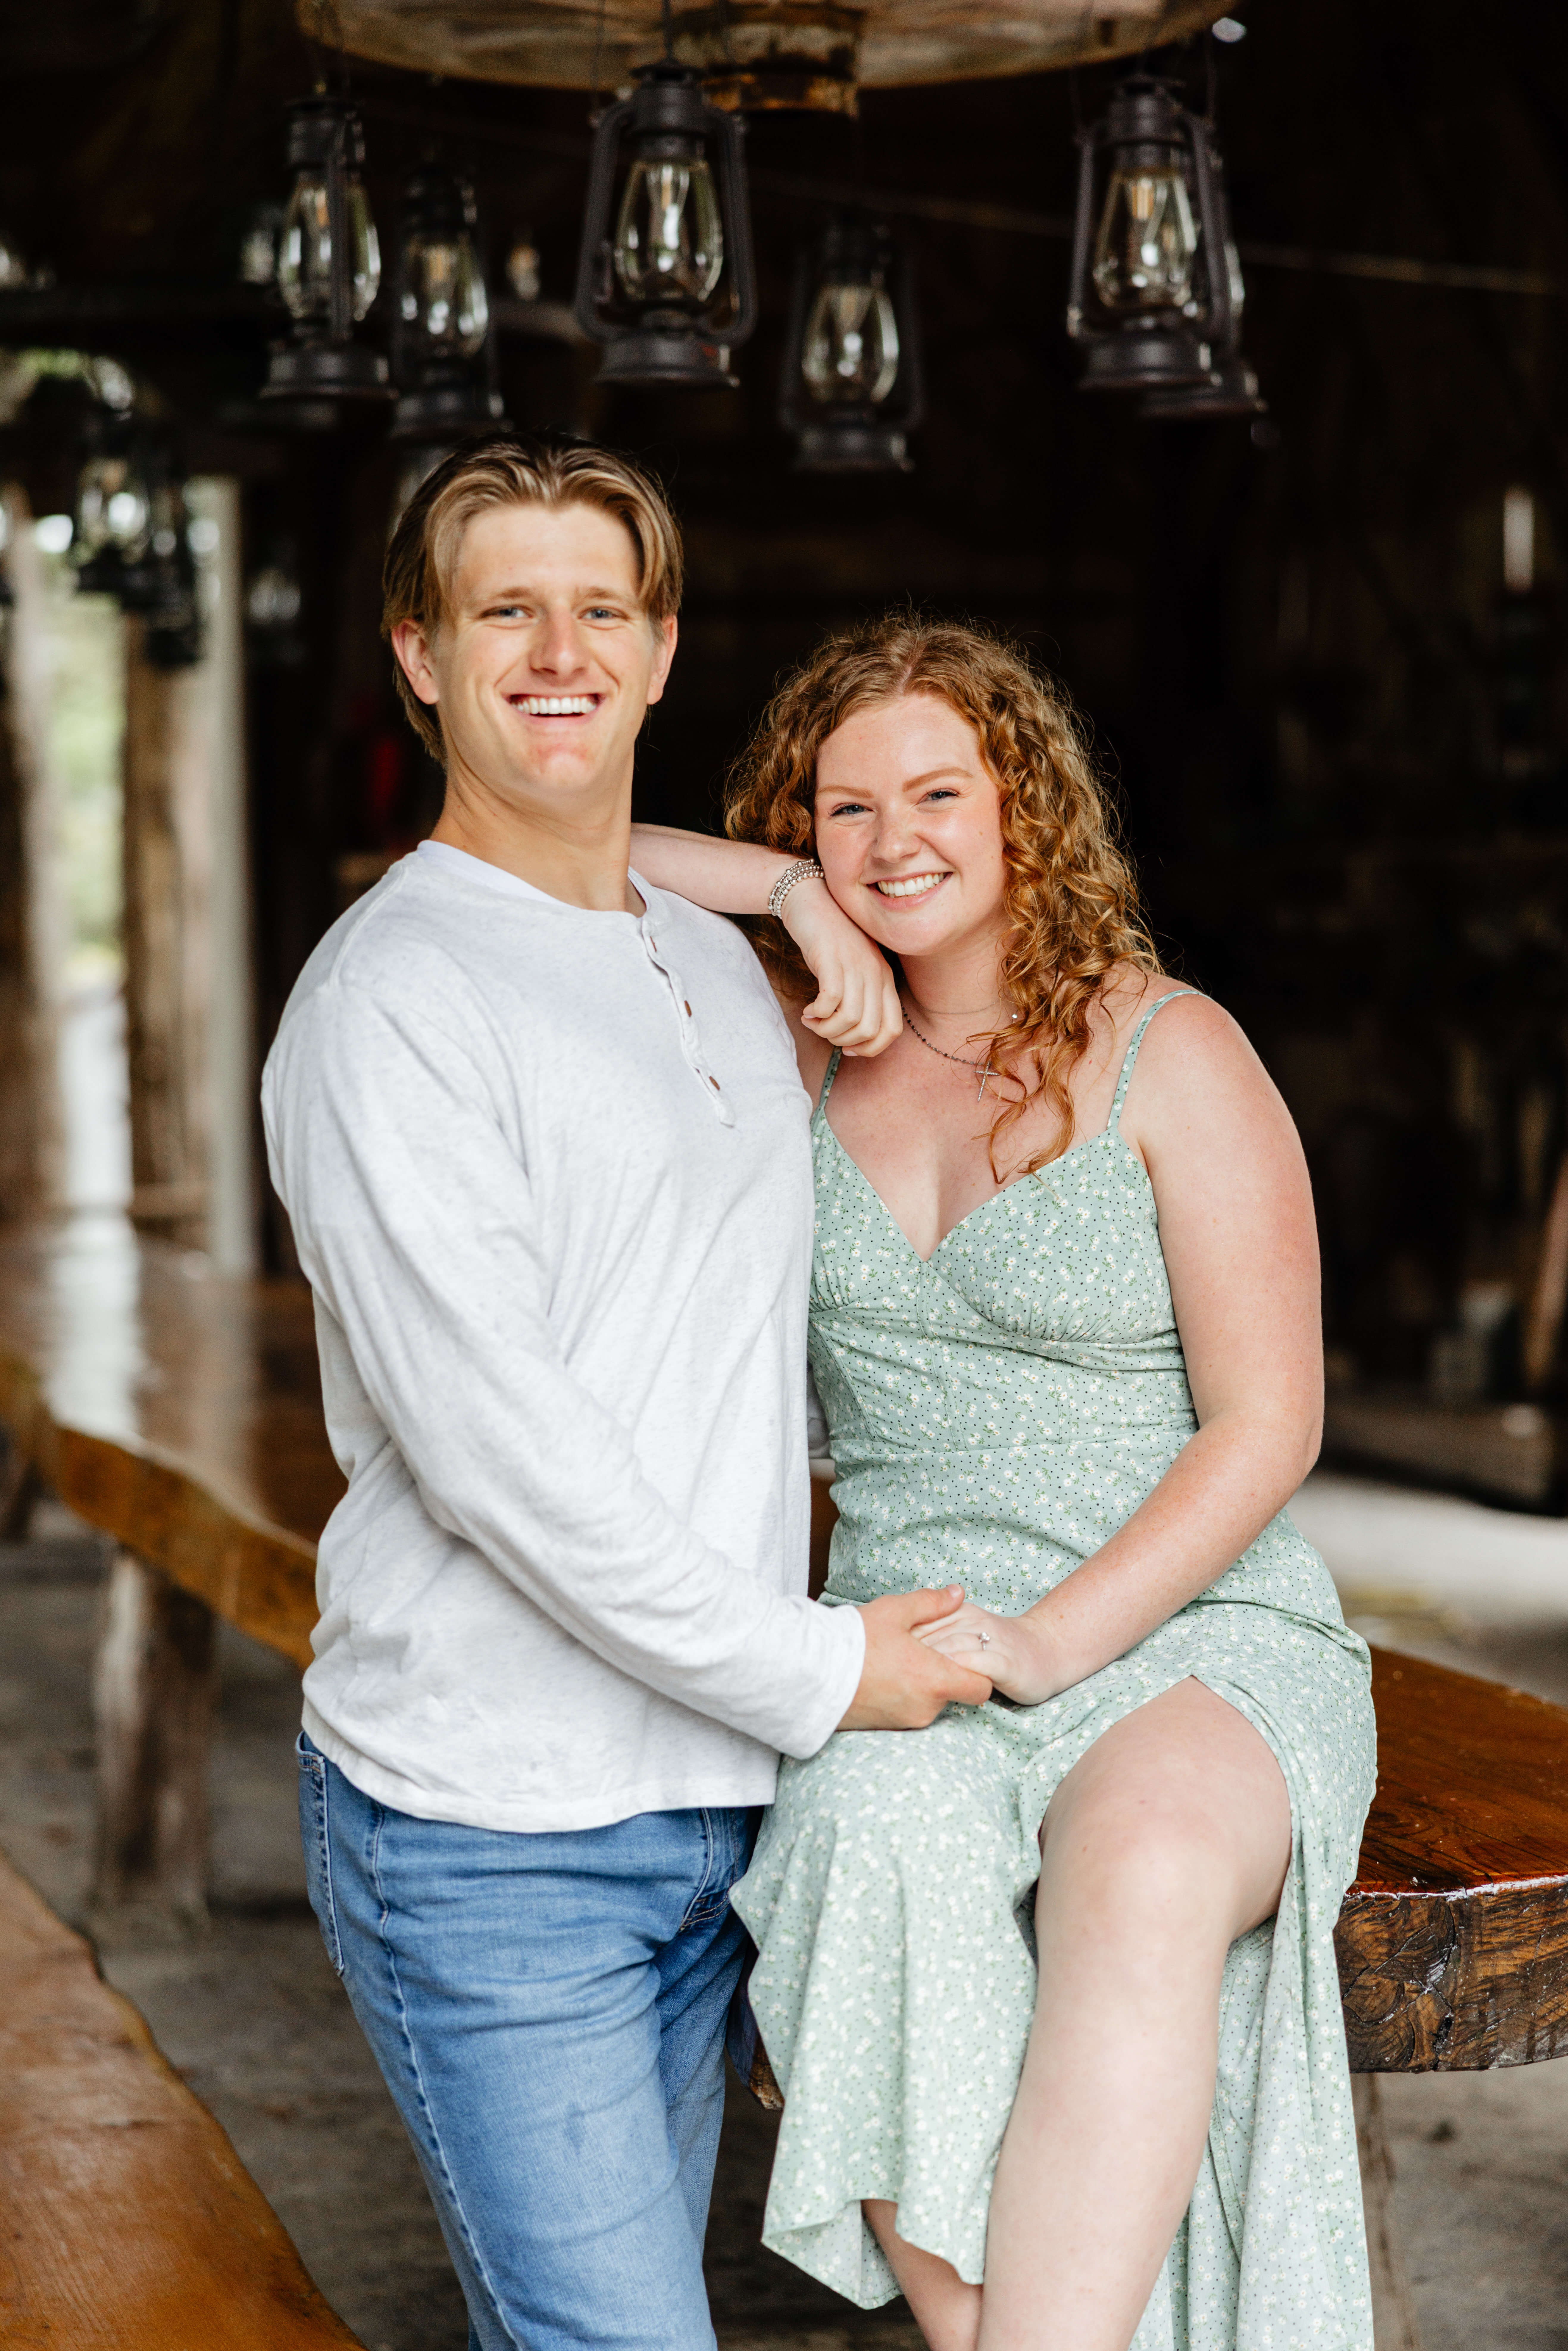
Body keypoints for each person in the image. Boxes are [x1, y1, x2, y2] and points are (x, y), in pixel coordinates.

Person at [260, 439, 993, 2351]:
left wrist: (778, 881)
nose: (558, 650)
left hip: (708, 1799)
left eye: (603, 609)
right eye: (506, 609)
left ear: (664, 653)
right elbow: (503, 1465)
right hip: (496, 1825)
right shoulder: (386, 1005)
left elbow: (595, 863)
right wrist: (826, 1671)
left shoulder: (700, 954)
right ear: (420, 654)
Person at [629, 615, 1378, 2351]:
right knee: (857, 1842)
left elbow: (1267, 1424)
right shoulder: (780, 1049)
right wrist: (786, 901)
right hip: (909, 1637)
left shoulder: (1171, 1052)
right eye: (844, 810)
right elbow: (528, 853)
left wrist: (1055, 1642)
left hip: (1191, 1624)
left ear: (1024, 807)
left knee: (1142, 1868)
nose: (895, 840)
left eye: (940, 791)